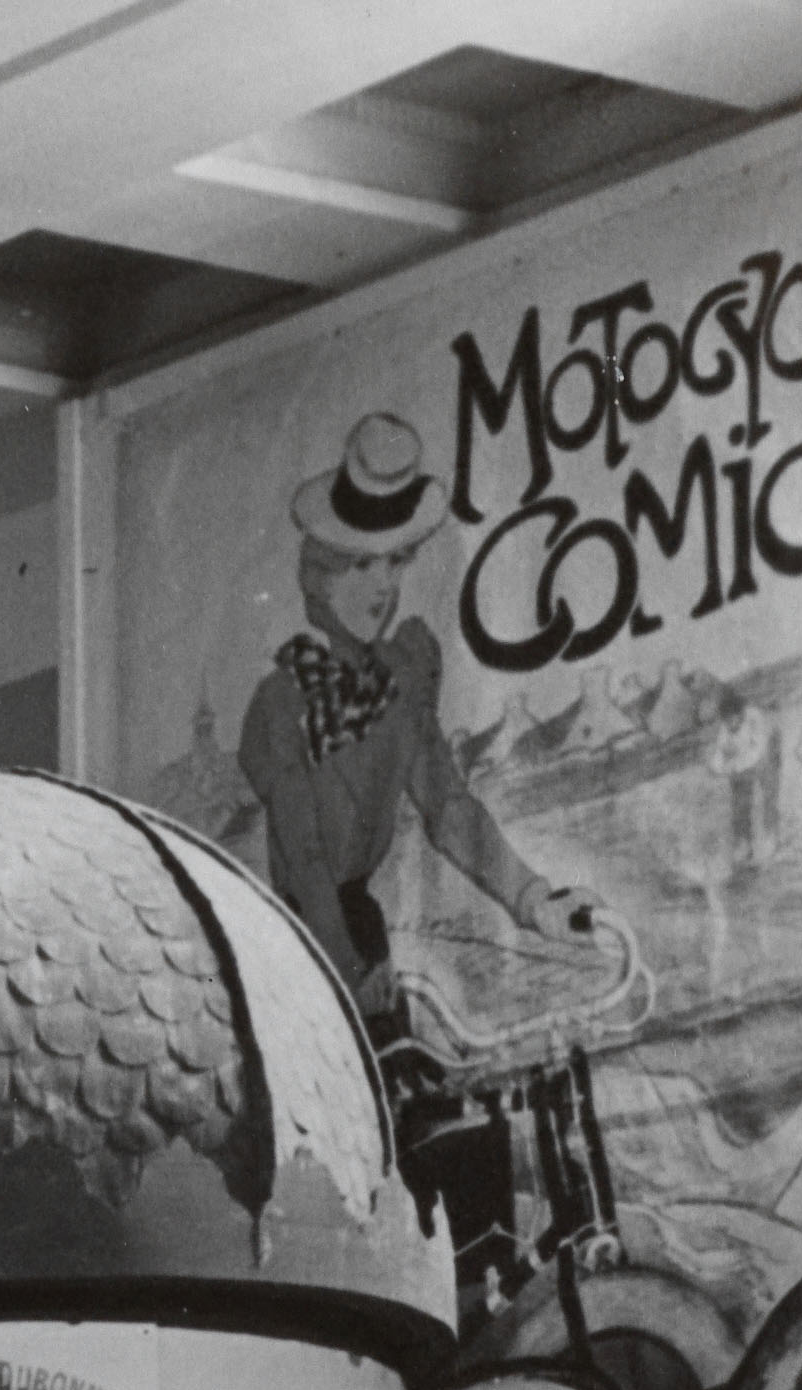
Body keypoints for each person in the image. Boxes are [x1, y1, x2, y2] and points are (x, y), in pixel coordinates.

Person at [233, 408, 600, 1050]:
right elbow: (305, 857)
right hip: (302, 944)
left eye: (395, 562)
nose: (383, 586)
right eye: (360, 566)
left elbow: (451, 808)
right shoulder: (281, 702)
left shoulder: (400, 686)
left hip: (363, 934)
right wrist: (346, 969)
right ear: (321, 574)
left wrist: (535, 901)